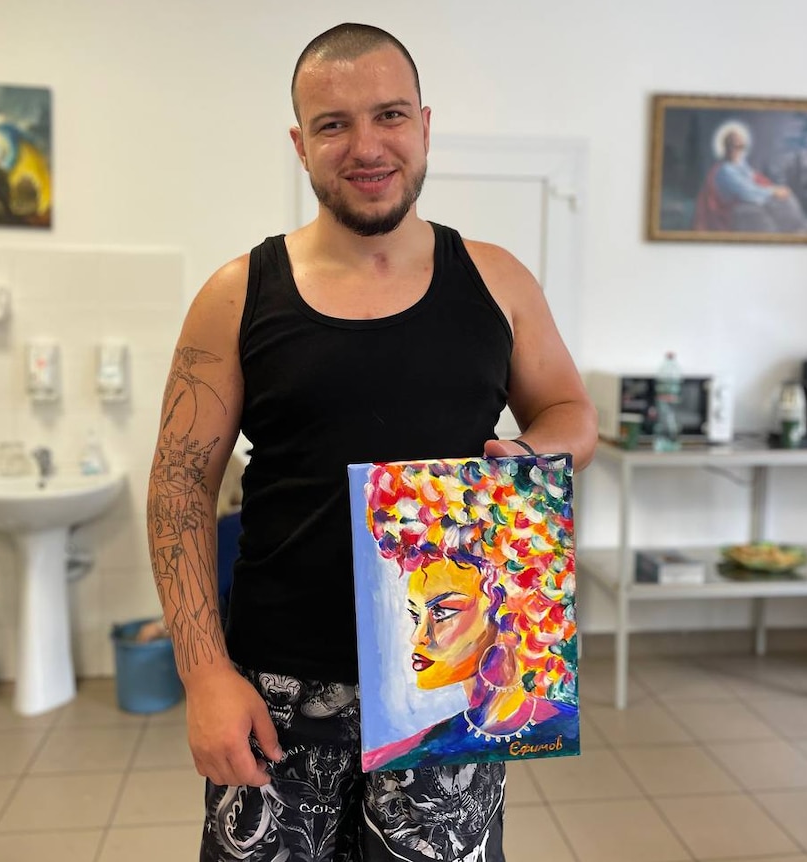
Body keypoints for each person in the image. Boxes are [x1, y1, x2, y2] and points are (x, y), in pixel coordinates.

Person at [147, 21, 597, 862]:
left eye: (389, 115)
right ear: (300, 143)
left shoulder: (497, 280)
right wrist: (205, 673)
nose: (366, 145)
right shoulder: (237, 294)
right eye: (333, 124)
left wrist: (537, 457)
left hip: (452, 679)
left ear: (425, 124)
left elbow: (571, 408)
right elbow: (178, 489)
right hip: (275, 692)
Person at [358, 457, 579, 773]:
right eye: (415, 615)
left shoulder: (564, 726)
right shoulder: (402, 754)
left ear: (507, 613)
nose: (418, 636)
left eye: (442, 611)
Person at [693, 122, 807, 234]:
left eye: (741, 147)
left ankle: (798, 227)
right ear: (726, 147)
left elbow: (754, 179)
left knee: (786, 199)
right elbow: (746, 191)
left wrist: (775, 188)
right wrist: (774, 192)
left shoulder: (740, 164)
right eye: (734, 146)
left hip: (749, 199)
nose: (737, 151)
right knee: (763, 214)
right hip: (734, 209)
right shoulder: (725, 171)